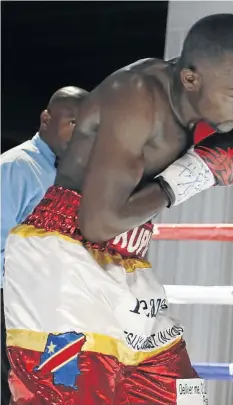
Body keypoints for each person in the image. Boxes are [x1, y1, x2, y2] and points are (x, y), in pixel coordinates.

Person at [3, 14, 233, 405]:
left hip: (126, 260)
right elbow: (96, 224)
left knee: (185, 396)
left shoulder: (222, 94)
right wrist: (192, 176)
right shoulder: (138, 100)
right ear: (193, 78)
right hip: (63, 259)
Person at [0, 86, 88, 405]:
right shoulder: (15, 167)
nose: (80, 134)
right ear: (46, 119)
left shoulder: (73, 174)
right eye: (72, 123)